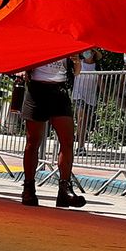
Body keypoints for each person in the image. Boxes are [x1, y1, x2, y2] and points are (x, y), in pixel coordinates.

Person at [18, 56, 83, 208]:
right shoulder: (39, 37)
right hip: (36, 90)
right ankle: (28, 188)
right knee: (32, 141)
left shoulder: (70, 41)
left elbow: (77, 71)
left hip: (59, 91)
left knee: (67, 141)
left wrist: (77, 61)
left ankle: (64, 190)